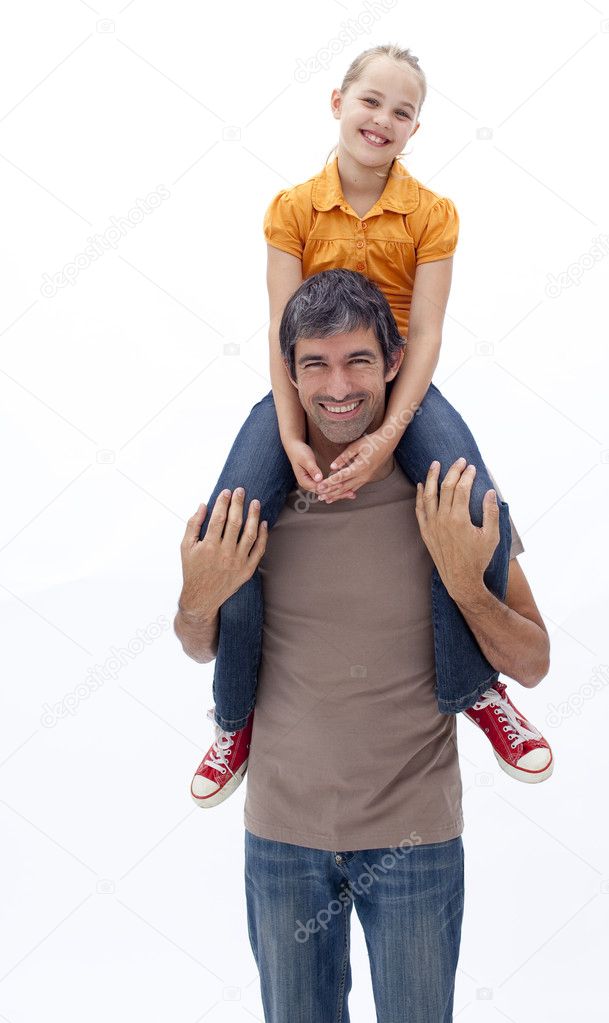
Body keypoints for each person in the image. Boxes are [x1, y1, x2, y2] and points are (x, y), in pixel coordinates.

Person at [174, 269, 551, 1020]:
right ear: (288, 372)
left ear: (393, 362)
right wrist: (198, 595)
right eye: (315, 363)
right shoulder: (255, 499)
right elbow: (197, 641)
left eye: (357, 361)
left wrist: (464, 580)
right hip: (282, 836)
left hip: (414, 835)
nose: (337, 385)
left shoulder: (444, 493)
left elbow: (533, 660)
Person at [188, 42, 553, 808]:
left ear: (416, 128)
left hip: (397, 392)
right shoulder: (291, 208)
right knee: (235, 518)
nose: (382, 118)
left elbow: (422, 337)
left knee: (475, 499)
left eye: (402, 110)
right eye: (370, 101)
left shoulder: (432, 215)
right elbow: (279, 334)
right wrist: (289, 437)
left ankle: (477, 688)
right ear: (336, 103)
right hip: (308, 390)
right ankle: (233, 716)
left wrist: (390, 434)